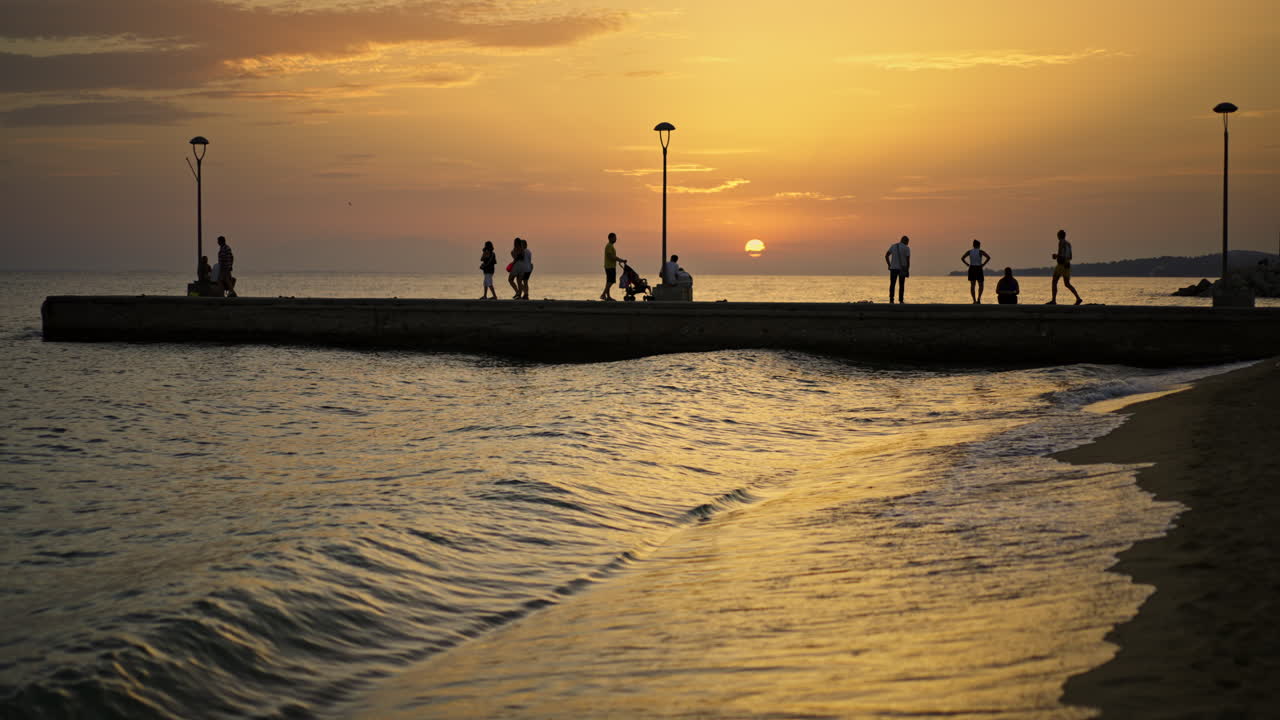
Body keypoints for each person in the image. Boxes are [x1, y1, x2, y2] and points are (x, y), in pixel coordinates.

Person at [1048, 229, 1082, 305]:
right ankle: (1078, 298)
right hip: (1067, 265)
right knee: (1067, 284)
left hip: (1061, 265)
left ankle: (1053, 300)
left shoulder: (1061, 242)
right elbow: (1070, 257)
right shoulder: (1068, 244)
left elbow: (1060, 255)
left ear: (1059, 236)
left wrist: (1055, 256)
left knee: (1054, 282)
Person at [961, 239, 992, 304]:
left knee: (972, 285)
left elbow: (962, 258)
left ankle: (974, 300)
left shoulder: (969, 251)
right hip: (978, 268)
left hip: (972, 268)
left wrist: (967, 264)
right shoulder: (980, 251)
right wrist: (983, 264)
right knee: (981, 285)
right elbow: (988, 257)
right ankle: (978, 299)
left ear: (973, 245)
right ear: (979, 245)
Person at [884, 235, 910, 304]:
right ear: (906, 241)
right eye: (908, 242)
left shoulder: (893, 246)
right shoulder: (907, 248)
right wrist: (907, 270)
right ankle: (901, 300)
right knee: (901, 285)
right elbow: (908, 261)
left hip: (893, 268)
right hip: (902, 269)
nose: (908, 243)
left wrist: (889, 265)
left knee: (892, 284)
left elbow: (886, 255)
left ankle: (891, 300)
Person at [601, 232, 625, 301]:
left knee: (608, 281)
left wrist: (620, 260)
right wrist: (620, 260)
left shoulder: (611, 246)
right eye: (614, 238)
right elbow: (611, 256)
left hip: (610, 266)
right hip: (609, 266)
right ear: (610, 238)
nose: (616, 239)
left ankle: (608, 296)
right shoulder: (609, 246)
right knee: (611, 281)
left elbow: (612, 256)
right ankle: (603, 294)